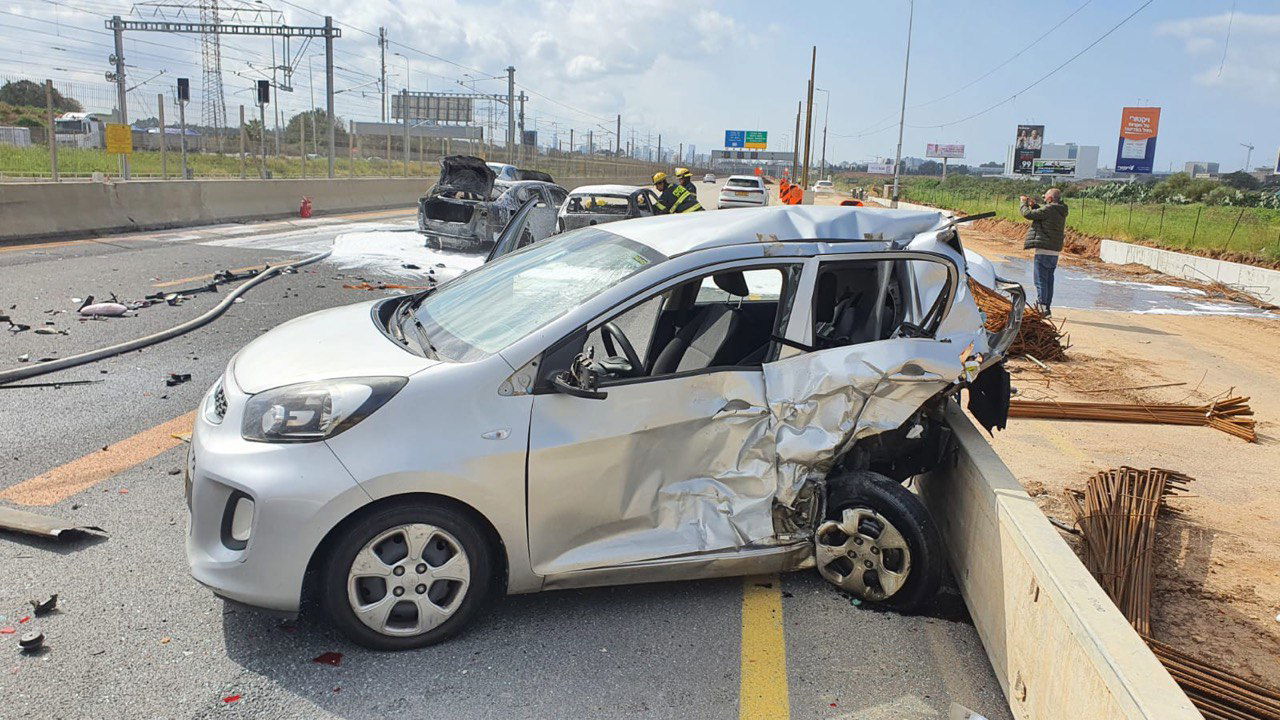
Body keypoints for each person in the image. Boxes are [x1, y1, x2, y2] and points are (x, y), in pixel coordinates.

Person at [1020, 187, 1068, 316]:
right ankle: (1046, 308)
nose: (1044, 198)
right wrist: (1034, 205)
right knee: (1048, 281)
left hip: (1043, 251)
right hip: (1053, 252)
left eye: (1045, 197)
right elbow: (1043, 214)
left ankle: (1042, 309)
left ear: (1051, 199)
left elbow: (1027, 214)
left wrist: (1023, 203)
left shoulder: (1049, 209)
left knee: (1040, 281)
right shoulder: (1060, 210)